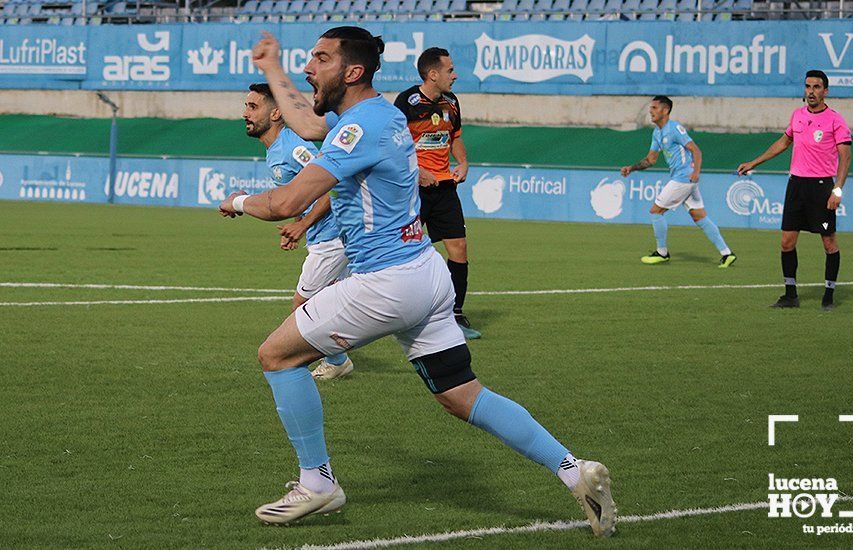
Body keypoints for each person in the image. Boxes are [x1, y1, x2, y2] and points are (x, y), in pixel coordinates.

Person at [218, 27, 616, 537]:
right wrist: (271, 68)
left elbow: (285, 203)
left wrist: (235, 200)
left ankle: (317, 484)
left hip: (385, 282)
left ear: (352, 72)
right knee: (462, 394)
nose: (309, 68)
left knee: (277, 355)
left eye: (320, 59)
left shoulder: (357, 130)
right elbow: (304, 119)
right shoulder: (378, 113)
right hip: (425, 274)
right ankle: (573, 471)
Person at [243, 82, 354, 381]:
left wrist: (303, 224)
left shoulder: (296, 148)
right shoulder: (277, 150)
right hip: (326, 236)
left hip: (331, 237)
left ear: (277, 112)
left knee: (302, 304)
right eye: (246, 106)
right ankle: (337, 355)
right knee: (331, 301)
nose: (246, 113)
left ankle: (331, 359)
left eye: (254, 107)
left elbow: (330, 183)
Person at [737, 70, 851, 311]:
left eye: (817, 87)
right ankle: (790, 295)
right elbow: (783, 142)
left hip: (821, 187)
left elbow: (845, 158)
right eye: (808, 86)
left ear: (825, 91)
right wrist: (753, 162)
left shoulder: (835, 120)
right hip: (796, 185)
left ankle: (829, 295)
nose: (811, 91)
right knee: (787, 242)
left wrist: (837, 190)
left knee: (829, 243)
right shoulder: (797, 115)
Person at [394, 48, 480, 340]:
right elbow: (395, 146)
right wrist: (416, 171)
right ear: (433, 74)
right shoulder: (406, 102)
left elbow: (454, 137)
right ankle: (401, 312)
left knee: (459, 249)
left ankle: (455, 313)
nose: (454, 75)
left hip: (445, 188)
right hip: (414, 190)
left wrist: (464, 162)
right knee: (406, 252)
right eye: (450, 70)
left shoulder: (452, 102)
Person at [621, 96, 736, 268]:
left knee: (655, 211)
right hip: (686, 180)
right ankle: (727, 253)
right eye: (650, 108)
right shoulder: (657, 133)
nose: (650, 111)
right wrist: (632, 168)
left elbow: (696, 150)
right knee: (699, 216)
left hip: (684, 178)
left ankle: (662, 252)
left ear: (665, 110)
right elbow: (651, 160)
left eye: (654, 108)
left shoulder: (674, 129)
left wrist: (696, 172)